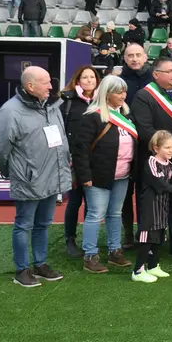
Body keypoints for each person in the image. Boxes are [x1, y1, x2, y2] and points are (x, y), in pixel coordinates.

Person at [0, 67, 71, 288]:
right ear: (30, 86)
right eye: (45, 82)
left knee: (43, 224)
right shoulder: (11, 111)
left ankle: (40, 264)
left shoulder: (52, 106)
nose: (51, 86)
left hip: (52, 175)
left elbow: (60, 137)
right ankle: (22, 270)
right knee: (24, 224)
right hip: (29, 178)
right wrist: (13, 171)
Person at [72, 75, 136, 273]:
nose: (123, 95)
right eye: (118, 91)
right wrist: (85, 177)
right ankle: (90, 256)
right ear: (107, 94)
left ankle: (114, 251)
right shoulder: (93, 116)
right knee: (95, 214)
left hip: (122, 175)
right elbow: (80, 150)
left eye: (124, 91)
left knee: (115, 214)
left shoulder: (126, 116)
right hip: (98, 175)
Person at [131, 57, 172, 257]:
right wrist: (169, 151)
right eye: (170, 71)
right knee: (150, 207)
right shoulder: (143, 96)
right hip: (154, 162)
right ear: (156, 74)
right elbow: (145, 129)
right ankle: (147, 248)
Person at [133, 131, 172, 283]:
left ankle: (153, 266)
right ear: (156, 148)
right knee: (148, 238)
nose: (171, 150)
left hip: (162, 206)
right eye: (167, 147)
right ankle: (138, 271)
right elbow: (160, 185)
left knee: (159, 236)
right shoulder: (151, 162)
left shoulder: (170, 165)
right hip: (149, 206)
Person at [60, 66, 100, 256]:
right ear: (78, 80)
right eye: (85, 77)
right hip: (74, 161)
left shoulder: (102, 102)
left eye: (92, 77)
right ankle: (70, 239)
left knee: (92, 203)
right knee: (75, 201)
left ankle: (88, 240)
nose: (89, 80)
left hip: (96, 162)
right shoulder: (68, 102)